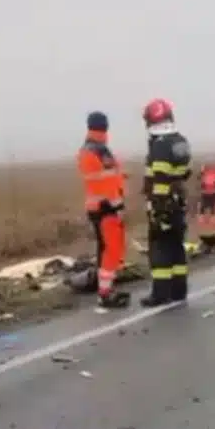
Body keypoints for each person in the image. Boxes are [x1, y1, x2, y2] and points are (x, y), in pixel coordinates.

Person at [140, 98, 193, 307]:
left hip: (164, 203)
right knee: (176, 246)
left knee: (160, 247)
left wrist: (159, 210)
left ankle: (160, 293)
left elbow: (160, 179)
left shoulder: (160, 146)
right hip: (178, 202)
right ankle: (179, 290)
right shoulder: (180, 141)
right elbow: (184, 172)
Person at [77, 111, 131, 308]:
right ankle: (105, 293)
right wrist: (118, 206)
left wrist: (120, 176)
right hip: (107, 207)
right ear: (105, 126)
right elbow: (107, 182)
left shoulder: (86, 149)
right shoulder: (100, 150)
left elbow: (98, 178)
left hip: (95, 207)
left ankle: (105, 288)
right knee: (111, 249)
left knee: (104, 248)